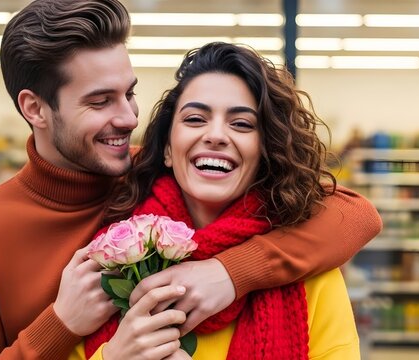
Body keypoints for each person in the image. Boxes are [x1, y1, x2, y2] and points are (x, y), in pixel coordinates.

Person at [0, 1, 381, 359]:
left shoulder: (158, 170)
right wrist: (62, 324)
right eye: (100, 101)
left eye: (129, 93)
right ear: (35, 109)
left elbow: (354, 214)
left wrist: (229, 272)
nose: (128, 118)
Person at [74, 42, 361, 360]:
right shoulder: (114, 260)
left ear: (265, 153)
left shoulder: (311, 274)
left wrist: (230, 273)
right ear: (168, 149)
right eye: (195, 119)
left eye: (241, 124)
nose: (216, 135)